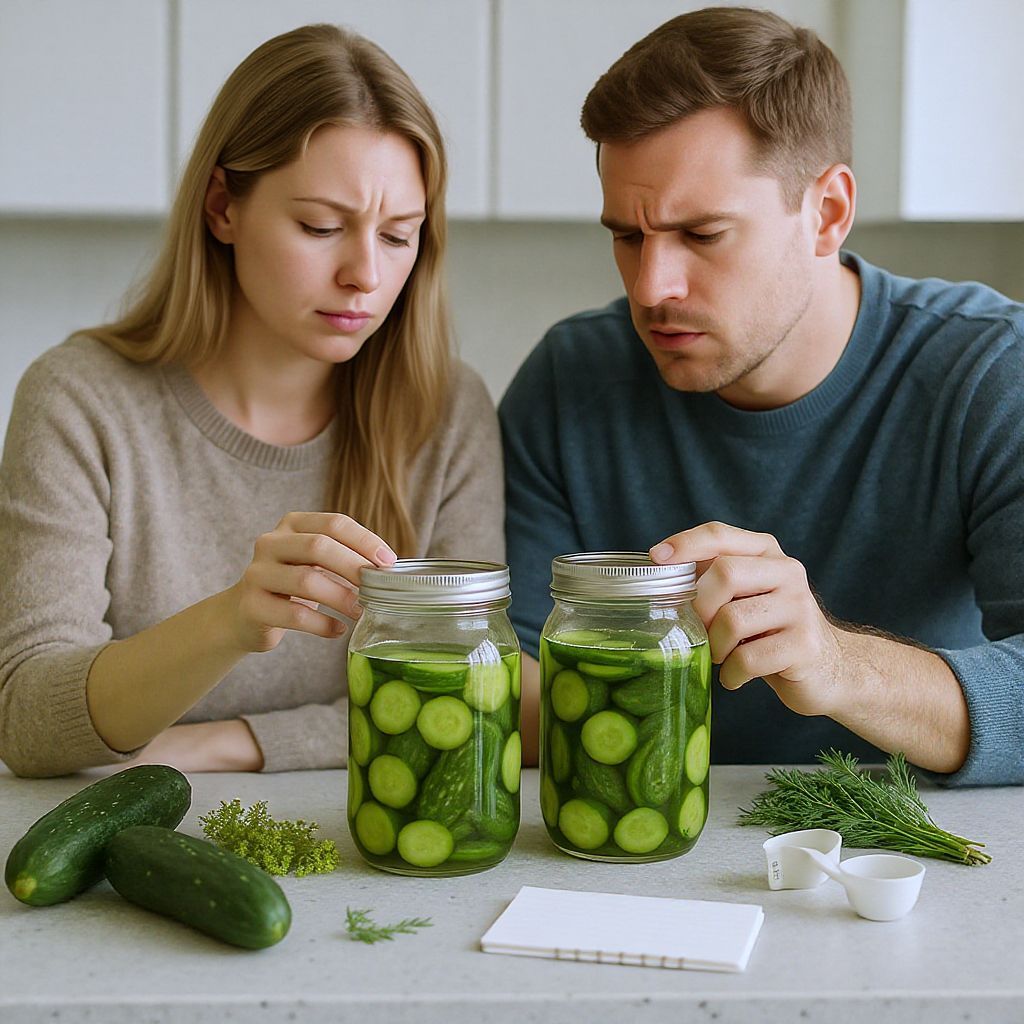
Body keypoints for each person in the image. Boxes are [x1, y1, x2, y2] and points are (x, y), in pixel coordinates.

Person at [499, 6, 1023, 785]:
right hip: (646, 851)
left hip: (901, 865)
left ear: (828, 213)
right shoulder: (569, 380)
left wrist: (836, 661)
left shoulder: (989, 371)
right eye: (627, 235)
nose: (652, 288)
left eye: (703, 235)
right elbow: (515, 683)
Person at [0, 24, 503, 778]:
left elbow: (469, 695)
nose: (364, 274)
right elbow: (31, 721)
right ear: (222, 208)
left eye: (399, 236)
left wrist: (227, 743)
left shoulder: (445, 412)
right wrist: (233, 619)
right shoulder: (80, 401)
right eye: (321, 226)